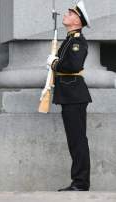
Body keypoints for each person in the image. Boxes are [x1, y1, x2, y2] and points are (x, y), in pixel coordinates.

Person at [47, 0, 92, 191]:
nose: (66, 14)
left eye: (70, 13)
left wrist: (54, 64)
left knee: (78, 140)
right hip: (70, 95)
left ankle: (81, 183)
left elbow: (73, 66)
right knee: (75, 140)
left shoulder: (77, 42)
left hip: (74, 95)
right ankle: (79, 181)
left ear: (77, 21)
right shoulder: (70, 39)